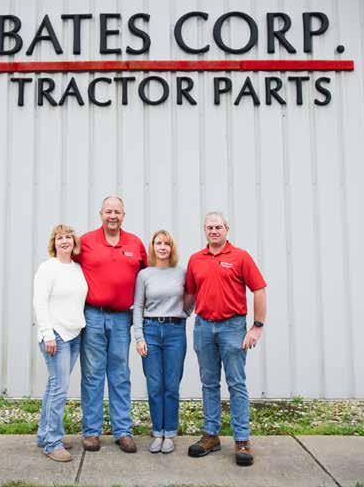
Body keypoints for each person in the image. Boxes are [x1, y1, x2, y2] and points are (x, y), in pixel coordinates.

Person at [184, 212, 267, 466]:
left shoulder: (240, 257)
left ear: (226, 229)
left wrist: (257, 327)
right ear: (204, 230)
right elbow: (189, 294)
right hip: (203, 327)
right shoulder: (195, 259)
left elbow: (259, 289)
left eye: (218, 227)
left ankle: (242, 440)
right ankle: (211, 436)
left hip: (233, 328)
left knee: (236, 384)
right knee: (209, 383)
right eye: (209, 227)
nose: (214, 231)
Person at [76, 196, 147, 453]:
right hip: (93, 316)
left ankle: (123, 431)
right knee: (93, 374)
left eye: (117, 212)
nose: (113, 216)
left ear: (123, 215)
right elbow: (68, 271)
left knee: (120, 374)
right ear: (101, 214)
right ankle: (91, 432)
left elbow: (146, 277)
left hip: (121, 318)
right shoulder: (86, 242)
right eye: (108, 211)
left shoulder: (135, 243)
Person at [33, 224, 88, 462]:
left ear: (74, 242)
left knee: (54, 385)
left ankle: (45, 434)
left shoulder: (77, 268)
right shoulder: (48, 268)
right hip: (55, 336)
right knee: (59, 389)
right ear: (53, 243)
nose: (64, 241)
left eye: (68, 237)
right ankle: (52, 443)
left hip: (75, 334)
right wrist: (47, 334)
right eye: (59, 238)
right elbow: (39, 302)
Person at [133, 230, 190, 454]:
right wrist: (139, 337)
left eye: (167, 243)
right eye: (159, 243)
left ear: (172, 247)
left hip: (175, 331)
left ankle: (170, 433)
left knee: (171, 385)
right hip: (151, 330)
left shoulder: (182, 272)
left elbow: (191, 296)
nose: (163, 247)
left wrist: (184, 313)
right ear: (153, 247)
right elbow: (138, 306)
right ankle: (157, 432)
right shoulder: (144, 275)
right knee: (155, 384)